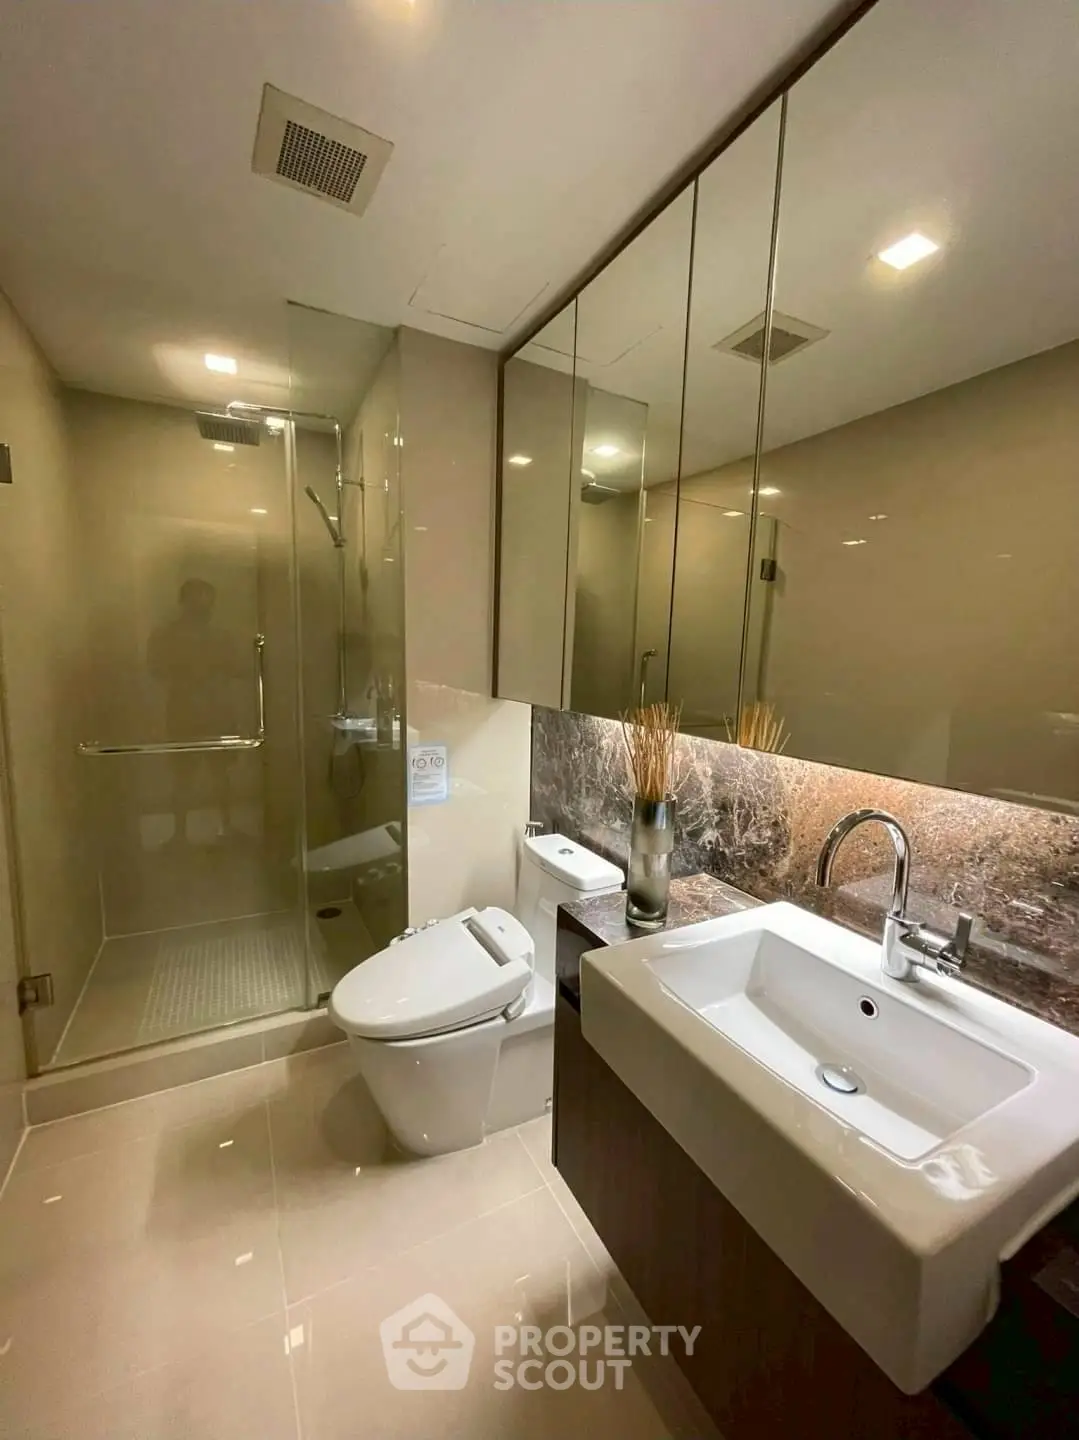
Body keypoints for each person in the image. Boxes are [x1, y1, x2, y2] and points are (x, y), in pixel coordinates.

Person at [147, 578, 245, 844]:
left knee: (220, 774)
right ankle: (180, 833)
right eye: (197, 598)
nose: (203, 604)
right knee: (183, 776)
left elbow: (239, 668)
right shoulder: (167, 636)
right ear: (184, 602)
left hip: (216, 710)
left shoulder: (220, 637)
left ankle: (225, 826)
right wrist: (186, 669)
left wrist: (220, 667)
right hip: (185, 712)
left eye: (207, 598)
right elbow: (155, 668)